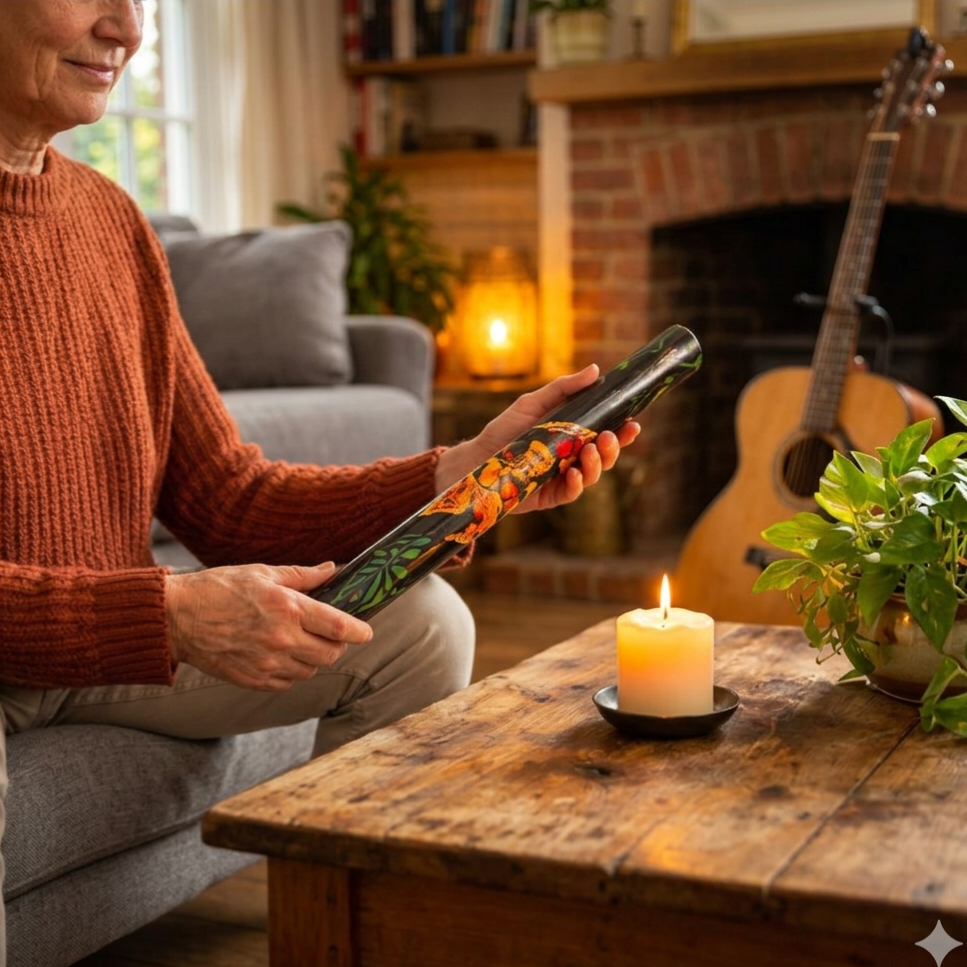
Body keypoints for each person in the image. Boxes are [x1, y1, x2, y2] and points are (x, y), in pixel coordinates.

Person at [0, 1, 639, 962]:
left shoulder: (109, 221)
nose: (127, 26)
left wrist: (461, 469)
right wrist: (168, 613)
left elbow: (231, 500)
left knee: (421, 625)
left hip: (97, 649)